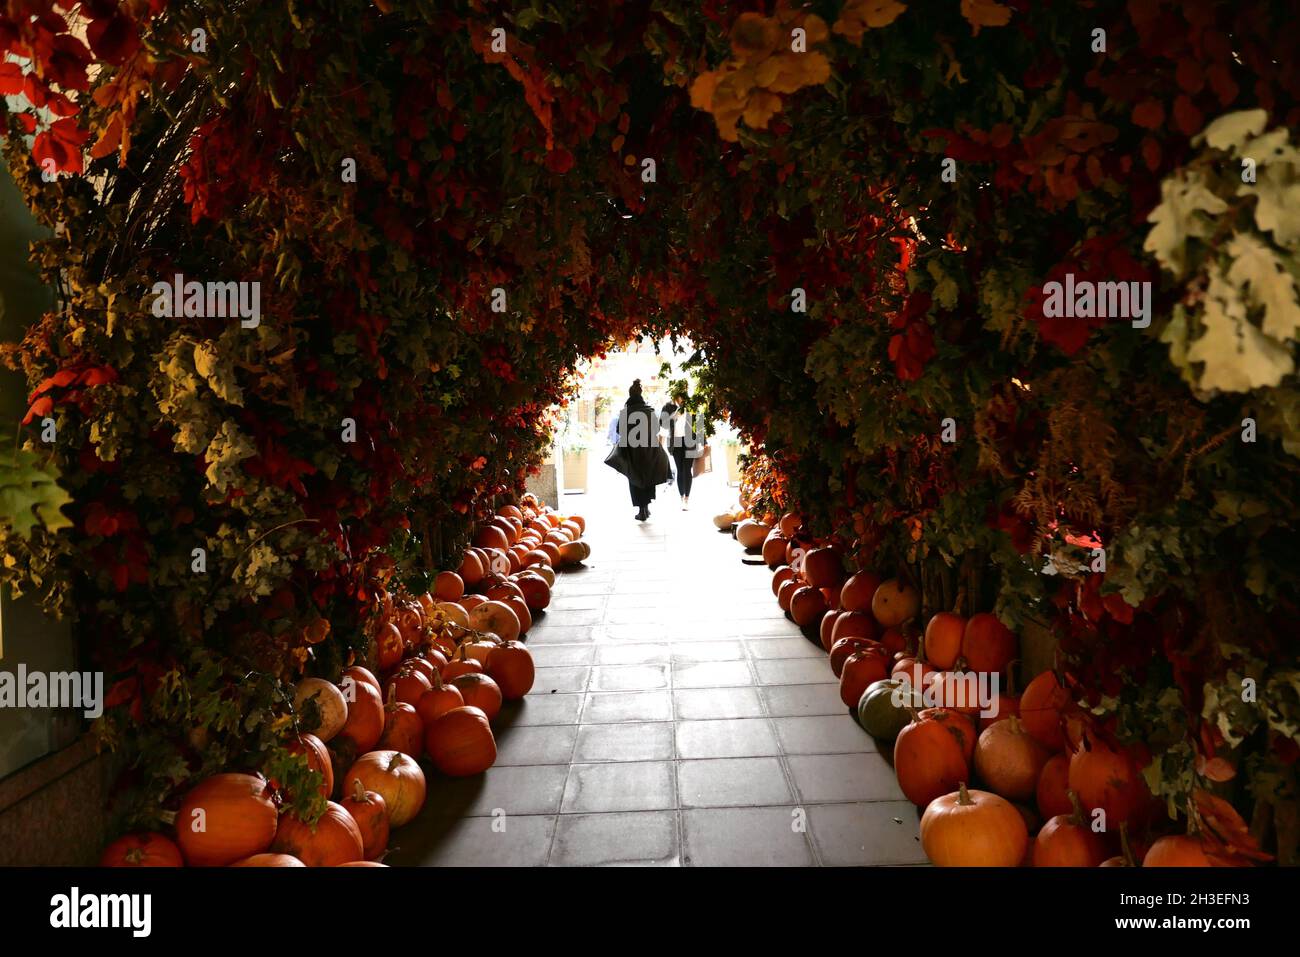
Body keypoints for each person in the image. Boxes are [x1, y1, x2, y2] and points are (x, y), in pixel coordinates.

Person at [604, 379, 672, 521]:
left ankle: (641, 510)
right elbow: (657, 430)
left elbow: (619, 431)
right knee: (648, 478)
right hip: (649, 451)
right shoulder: (650, 411)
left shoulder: (625, 412)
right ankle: (646, 508)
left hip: (632, 452)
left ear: (630, 395)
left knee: (635, 478)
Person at [661, 389, 701, 510]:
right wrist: (674, 416)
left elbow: (699, 422)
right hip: (676, 441)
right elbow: (663, 424)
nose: (681, 397)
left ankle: (686, 499)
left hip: (690, 440)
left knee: (687, 469)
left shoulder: (691, 406)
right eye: (679, 394)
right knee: (680, 470)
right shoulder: (668, 406)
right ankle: (681, 496)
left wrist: (703, 440)